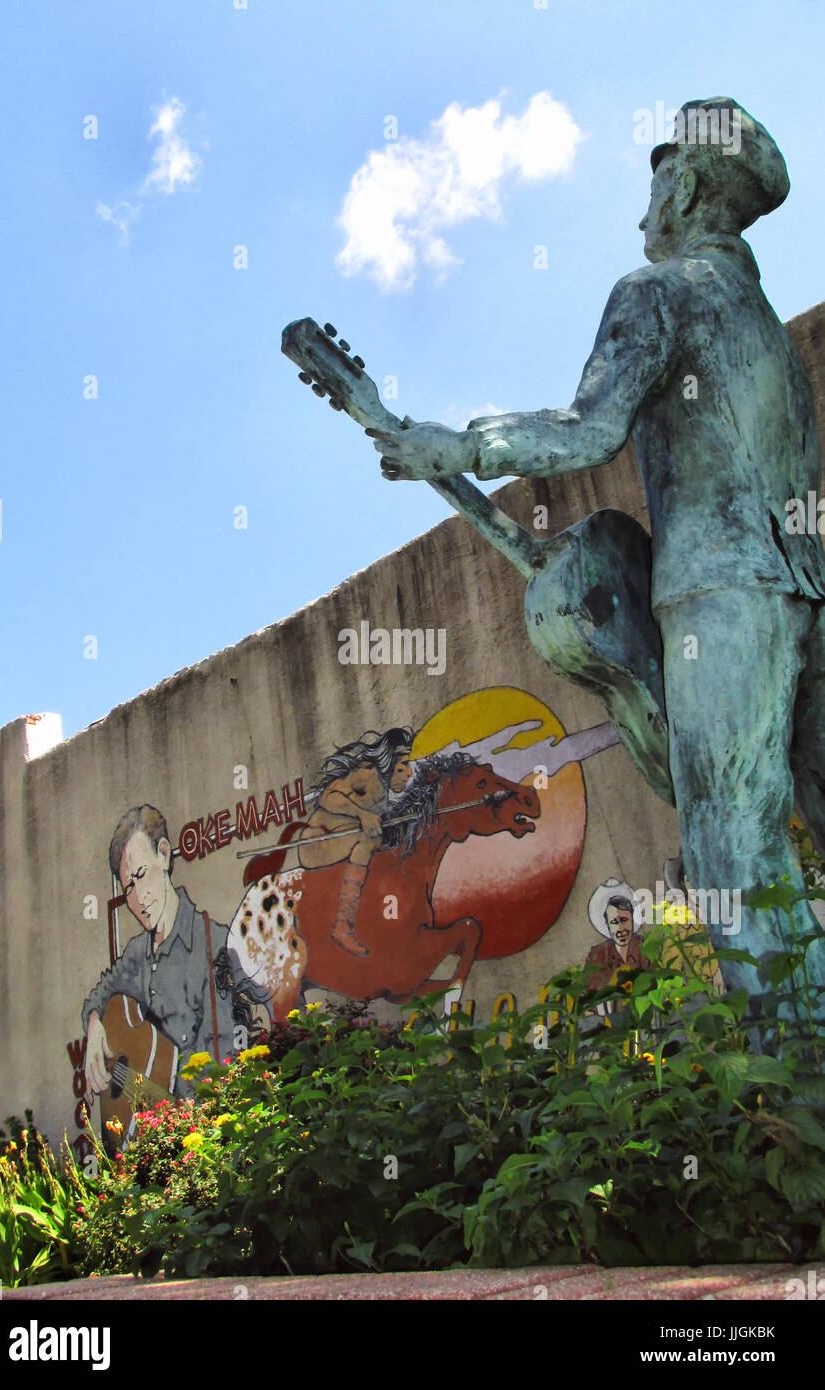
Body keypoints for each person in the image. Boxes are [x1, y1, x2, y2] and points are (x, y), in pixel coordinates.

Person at [369, 98, 825, 1030]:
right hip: (808, 590)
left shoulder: (659, 291)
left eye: (656, 183)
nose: (643, 211)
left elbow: (589, 430)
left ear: (686, 185)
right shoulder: (771, 337)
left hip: (722, 591)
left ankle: (799, 1077)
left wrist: (453, 445)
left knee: (731, 838)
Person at [82, 804, 270, 1101]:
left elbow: (224, 1065)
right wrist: (94, 1024)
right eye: (128, 888)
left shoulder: (214, 946)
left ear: (165, 854)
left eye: (141, 874)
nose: (139, 896)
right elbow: (106, 987)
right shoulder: (137, 954)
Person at [298, 728, 413, 956]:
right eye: (402, 767)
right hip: (318, 841)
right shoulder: (367, 774)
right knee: (368, 838)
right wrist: (362, 814)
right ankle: (343, 926)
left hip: (341, 839)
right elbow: (328, 797)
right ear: (388, 763)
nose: (408, 774)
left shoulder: (384, 789)